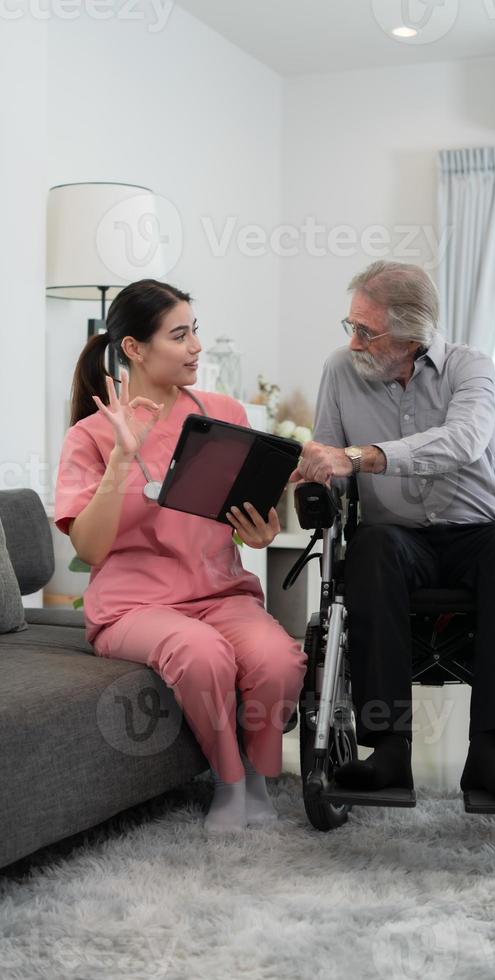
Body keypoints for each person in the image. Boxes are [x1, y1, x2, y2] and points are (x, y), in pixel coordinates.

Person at [54, 279, 307, 835]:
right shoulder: (91, 435)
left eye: (196, 331)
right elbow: (90, 547)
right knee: (203, 655)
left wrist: (257, 532)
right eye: (179, 335)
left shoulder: (224, 412)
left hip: (220, 594)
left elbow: (236, 520)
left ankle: (262, 778)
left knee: (279, 659)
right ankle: (229, 780)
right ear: (134, 349)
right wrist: (124, 455)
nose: (196, 346)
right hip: (134, 607)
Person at [291, 260, 495, 804]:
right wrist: (313, 473)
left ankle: (490, 754)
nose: (354, 341)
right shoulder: (340, 370)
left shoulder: (469, 367)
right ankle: (386, 752)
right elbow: (327, 455)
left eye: (367, 330)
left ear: (411, 335)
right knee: (370, 547)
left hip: (478, 534)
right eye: (350, 326)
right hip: (397, 537)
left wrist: (361, 457)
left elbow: (463, 440)